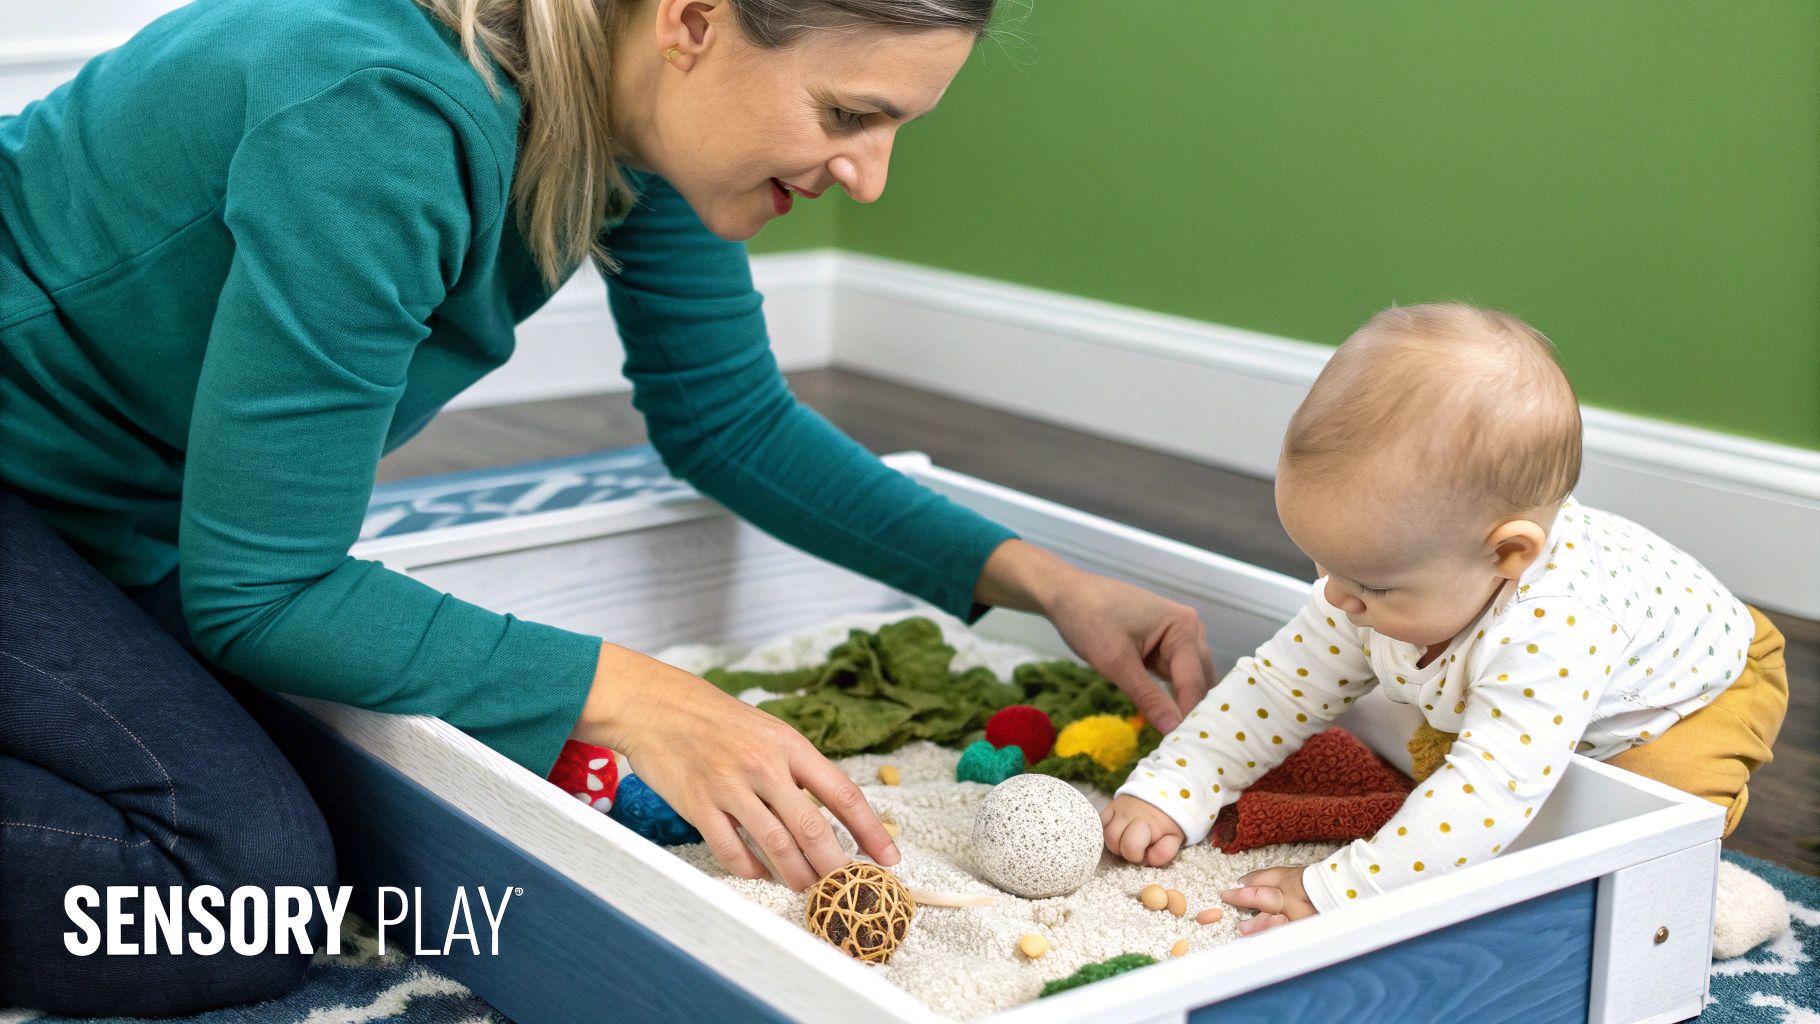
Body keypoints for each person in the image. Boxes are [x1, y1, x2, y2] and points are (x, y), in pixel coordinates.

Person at [0, 0, 1218, 1014]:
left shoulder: (636, 113)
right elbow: (263, 590)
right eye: (848, 115)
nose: (868, 174)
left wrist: (1047, 581)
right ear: (691, 20)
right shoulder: (380, 115)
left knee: (365, 782)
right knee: (226, 896)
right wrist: (639, 694)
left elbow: (727, 419)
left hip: (113, 510)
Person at [1099, 303, 1788, 933]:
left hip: (1696, 691)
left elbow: (1486, 793)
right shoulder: (1377, 581)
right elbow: (1277, 689)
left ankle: (1704, 889)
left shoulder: (1556, 626)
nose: (1337, 598)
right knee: (1469, 774)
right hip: (1545, 673)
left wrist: (1343, 888)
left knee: (1633, 812)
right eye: (1322, 565)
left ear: (1508, 555)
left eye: (1368, 583)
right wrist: (1172, 788)